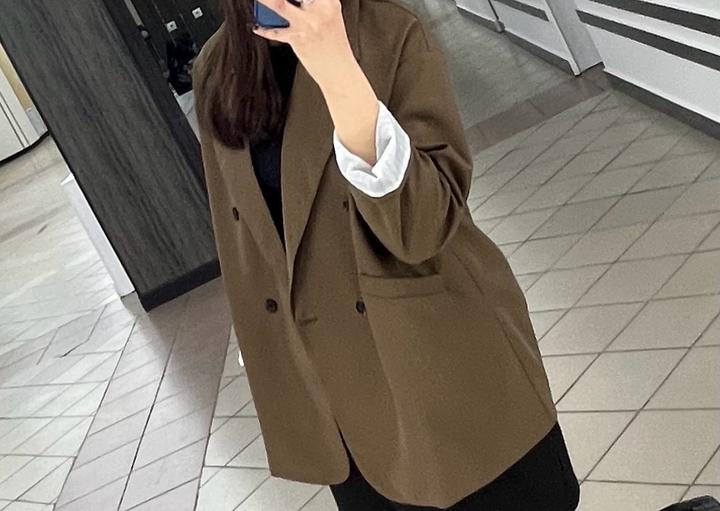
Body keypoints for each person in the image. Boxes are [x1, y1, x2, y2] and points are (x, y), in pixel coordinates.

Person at [192, 0, 581, 509]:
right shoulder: (217, 65)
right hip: (342, 413)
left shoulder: (390, 29)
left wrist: (337, 70)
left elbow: (422, 227)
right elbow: (245, 240)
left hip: (439, 370)